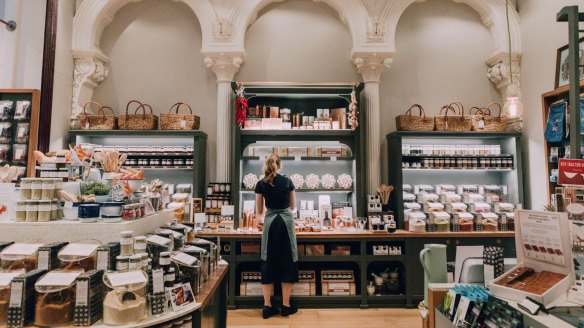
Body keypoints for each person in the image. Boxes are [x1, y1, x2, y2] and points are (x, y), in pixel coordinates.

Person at [255, 154, 299, 319]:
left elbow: (259, 213)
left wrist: (262, 219)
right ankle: (286, 306)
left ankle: (267, 306)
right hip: (286, 224)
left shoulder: (261, 184)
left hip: (271, 224)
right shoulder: (288, 182)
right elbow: (293, 207)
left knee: (269, 260)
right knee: (287, 260)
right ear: (279, 166)